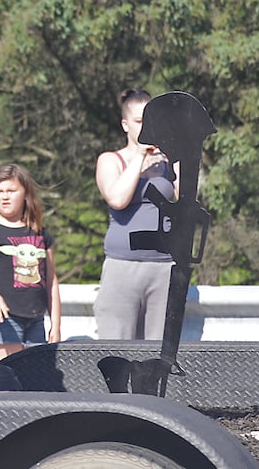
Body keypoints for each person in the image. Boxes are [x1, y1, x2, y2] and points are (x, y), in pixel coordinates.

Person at [93, 88, 175, 340]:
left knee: (159, 354)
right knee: (117, 349)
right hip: (123, 266)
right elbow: (117, 198)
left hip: (163, 267)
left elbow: (188, 198)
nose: (147, 126)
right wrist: (139, 157)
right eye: (140, 121)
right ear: (125, 125)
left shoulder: (169, 160)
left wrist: (177, 152)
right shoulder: (110, 160)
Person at [0, 164, 61, 361]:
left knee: (35, 376)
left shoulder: (41, 234)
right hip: (4, 320)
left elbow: (51, 282)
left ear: (26, 194)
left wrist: (56, 325)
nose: (5, 196)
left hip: (36, 318)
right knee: (8, 375)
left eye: (11, 191)